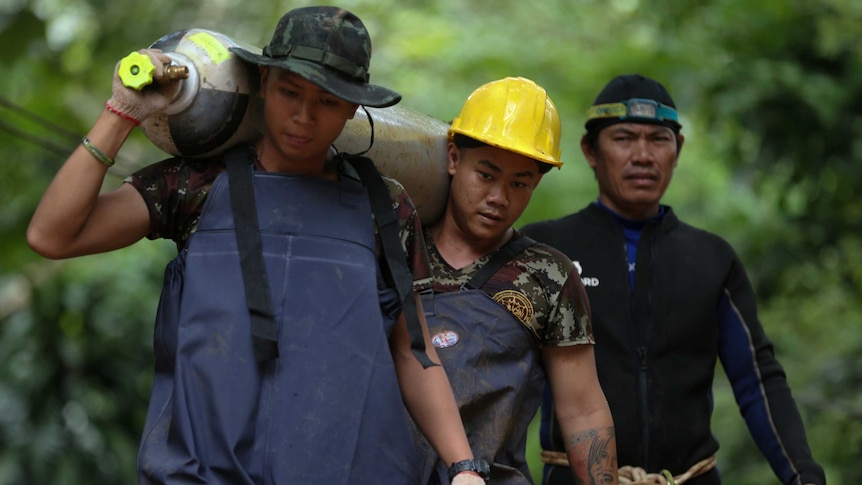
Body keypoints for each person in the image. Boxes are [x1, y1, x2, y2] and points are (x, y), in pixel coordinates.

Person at [27, 6, 486, 484]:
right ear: (264, 82)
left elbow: (413, 349)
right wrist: (122, 112)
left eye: (327, 102)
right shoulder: (197, 184)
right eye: (290, 92)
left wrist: (463, 466)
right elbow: (53, 235)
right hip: (203, 471)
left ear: (353, 108)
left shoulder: (384, 204)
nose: (304, 118)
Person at [521, 74, 826, 485]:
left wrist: (803, 474)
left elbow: (758, 380)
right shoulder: (544, 250)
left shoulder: (712, 258)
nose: (643, 155)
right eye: (624, 139)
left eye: (659, 139)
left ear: (677, 149)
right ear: (590, 151)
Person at [415, 76, 618, 484]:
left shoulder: (548, 277)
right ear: (454, 158)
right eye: (486, 175)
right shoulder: (397, 247)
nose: (499, 197)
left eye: (519, 183)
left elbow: (582, 409)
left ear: (536, 183)